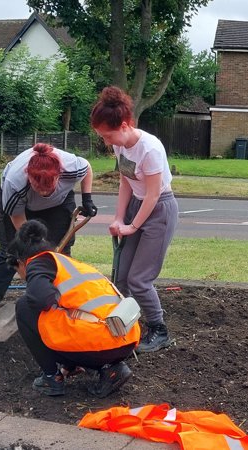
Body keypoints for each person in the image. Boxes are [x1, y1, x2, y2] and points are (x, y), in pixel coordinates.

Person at [90, 86, 178, 354]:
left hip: (159, 211)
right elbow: (126, 182)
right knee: (123, 278)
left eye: (108, 135)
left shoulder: (149, 149)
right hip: (136, 208)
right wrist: (119, 217)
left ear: (126, 125)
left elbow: (152, 195)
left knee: (140, 279)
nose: (106, 141)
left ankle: (159, 330)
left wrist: (133, 226)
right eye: (102, 136)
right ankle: (128, 324)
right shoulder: (120, 147)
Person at [9, 220, 140, 397]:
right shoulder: (69, 264)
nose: (22, 277)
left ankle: (51, 378)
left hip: (100, 343)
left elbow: (42, 300)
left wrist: (36, 291)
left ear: (21, 262)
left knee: (24, 306)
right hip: (125, 340)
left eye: (19, 272)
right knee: (64, 312)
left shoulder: (38, 263)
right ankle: (112, 370)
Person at [0, 143, 97, 325]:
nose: (44, 192)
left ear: (59, 175)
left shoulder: (70, 167)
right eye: (39, 187)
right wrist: (34, 247)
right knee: (11, 252)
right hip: (21, 208)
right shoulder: (15, 183)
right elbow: (19, 221)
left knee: (60, 254)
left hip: (59, 204)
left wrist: (87, 199)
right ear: (29, 176)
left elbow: (87, 168)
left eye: (49, 186)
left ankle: (60, 302)